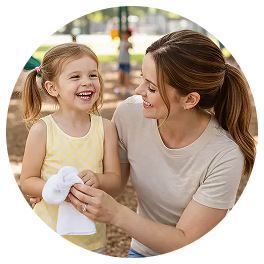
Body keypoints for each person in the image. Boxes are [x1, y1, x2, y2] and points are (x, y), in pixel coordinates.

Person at [33, 30, 256, 257]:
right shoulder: (131, 114)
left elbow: (186, 242)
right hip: (142, 252)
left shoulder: (225, 154)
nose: (139, 92)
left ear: (190, 99)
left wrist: (117, 214)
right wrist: (57, 185)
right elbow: (113, 182)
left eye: (151, 88)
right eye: (142, 79)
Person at [20, 43, 121, 254]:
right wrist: (57, 189)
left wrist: (99, 179)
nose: (87, 82)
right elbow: (27, 182)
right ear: (52, 88)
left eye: (92, 75)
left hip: (92, 241)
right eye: (75, 77)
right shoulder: (42, 130)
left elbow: (114, 180)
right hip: (50, 228)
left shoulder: (106, 128)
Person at [114, 30, 133, 97]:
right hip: (121, 62)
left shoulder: (128, 43)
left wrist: (126, 46)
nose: (124, 36)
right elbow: (118, 49)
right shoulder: (121, 42)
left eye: (125, 35)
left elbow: (131, 47)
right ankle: (118, 89)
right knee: (119, 75)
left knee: (126, 76)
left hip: (126, 62)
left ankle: (127, 89)